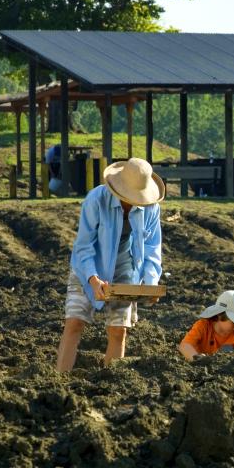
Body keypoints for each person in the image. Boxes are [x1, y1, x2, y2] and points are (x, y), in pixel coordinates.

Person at [55, 158, 165, 372]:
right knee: (74, 323)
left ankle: (111, 383)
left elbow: (152, 247)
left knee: (118, 330)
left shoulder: (151, 207)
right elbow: (84, 245)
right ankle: (59, 381)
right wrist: (93, 279)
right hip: (88, 267)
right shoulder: (96, 199)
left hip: (125, 270)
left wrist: (151, 284)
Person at [179, 290, 234, 360]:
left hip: (225, 372)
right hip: (199, 370)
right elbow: (185, 346)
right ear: (220, 315)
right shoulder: (203, 326)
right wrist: (198, 359)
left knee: (227, 349)